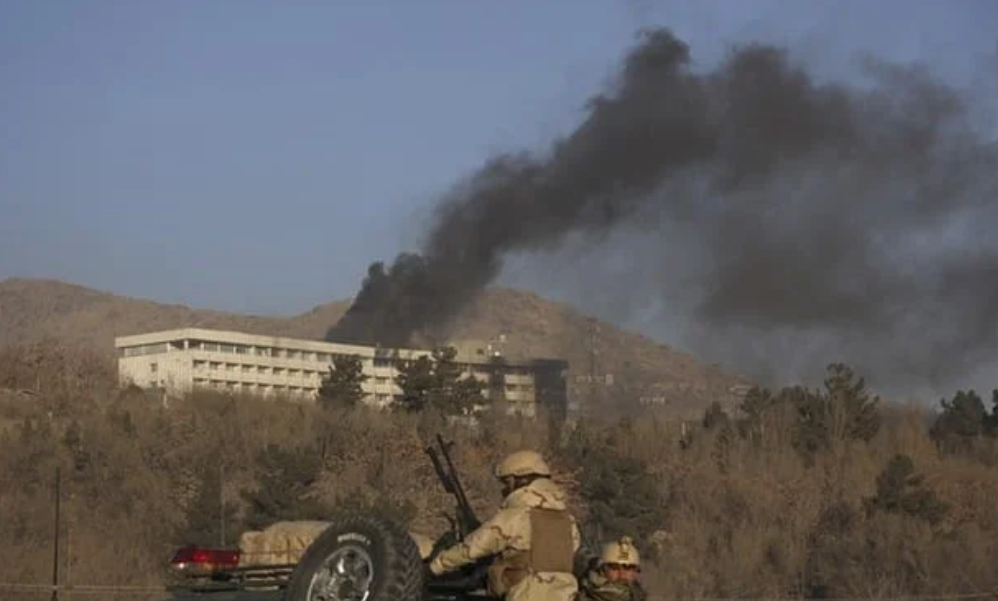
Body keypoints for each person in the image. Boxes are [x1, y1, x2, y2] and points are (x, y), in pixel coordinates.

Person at [427, 449, 581, 601]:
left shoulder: (516, 516)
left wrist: (434, 567)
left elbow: (474, 547)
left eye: (508, 483)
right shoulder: (569, 521)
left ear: (522, 481)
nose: (505, 490)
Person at [577, 536, 648, 601]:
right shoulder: (584, 594)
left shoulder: (637, 595)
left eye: (628, 568)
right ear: (603, 569)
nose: (622, 575)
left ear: (635, 571)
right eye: (614, 568)